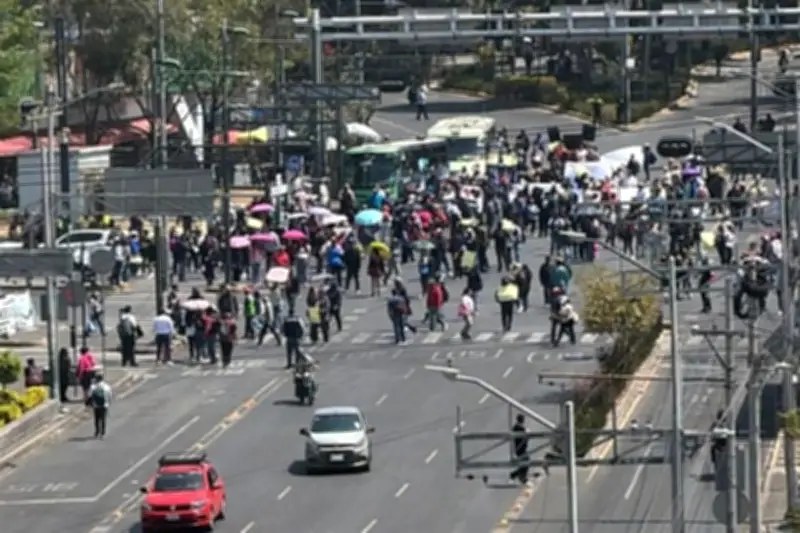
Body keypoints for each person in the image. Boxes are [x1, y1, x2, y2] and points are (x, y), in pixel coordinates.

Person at [86, 374, 112, 439]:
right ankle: (103, 433)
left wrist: (89, 403)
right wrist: (108, 402)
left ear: (96, 379)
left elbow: (89, 395)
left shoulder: (93, 387)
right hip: (104, 405)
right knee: (103, 419)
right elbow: (110, 395)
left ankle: (97, 432)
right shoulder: (106, 386)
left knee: (96, 419)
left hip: (96, 405)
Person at [509, 414, 529, 484]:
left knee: (524, 463)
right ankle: (518, 476)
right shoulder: (520, 428)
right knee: (525, 463)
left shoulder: (516, 427)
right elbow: (525, 436)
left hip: (519, 448)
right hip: (520, 448)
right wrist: (527, 432)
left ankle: (517, 476)